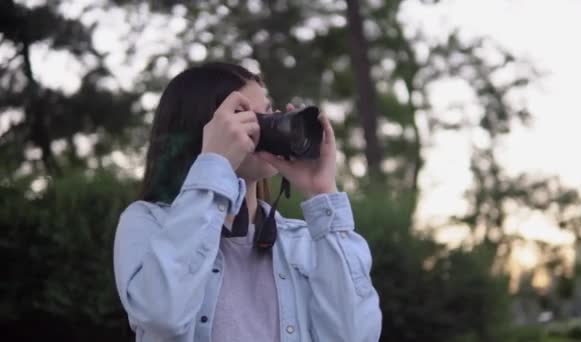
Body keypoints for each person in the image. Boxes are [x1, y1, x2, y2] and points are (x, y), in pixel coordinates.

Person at [113, 61, 382, 342]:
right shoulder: (146, 222)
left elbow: (355, 336)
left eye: (268, 111)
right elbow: (162, 319)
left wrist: (322, 193)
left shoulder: (302, 240)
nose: (269, 122)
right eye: (245, 115)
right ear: (205, 128)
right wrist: (214, 162)